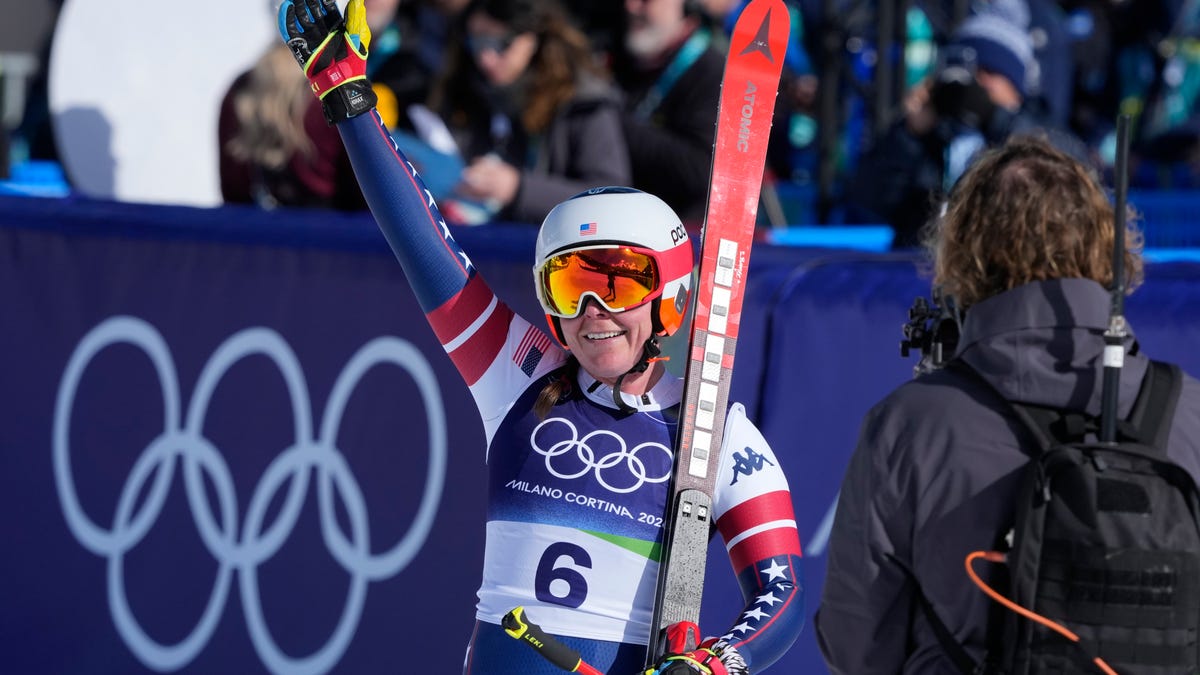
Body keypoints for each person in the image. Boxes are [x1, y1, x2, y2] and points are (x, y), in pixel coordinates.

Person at [276, 1, 805, 673]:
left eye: (614, 282)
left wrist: (718, 660)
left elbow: (781, 590)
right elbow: (424, 248)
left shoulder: (716, 433)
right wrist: (349, 101)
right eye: (566, 286)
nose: (591, 310)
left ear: (669, 296)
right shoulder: (519, 374)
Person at [814, 134, 1200, 674]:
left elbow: (858, 646)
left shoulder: (910, 425)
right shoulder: (1188, 411)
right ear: (1106, 244)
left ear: (963, 253)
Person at [842, 6, 1088, 248]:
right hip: (922, 272)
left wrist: (995, 117)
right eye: (970, 72)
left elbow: (1068, 176)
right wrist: (909, 134)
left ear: (1016, 84)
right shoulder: (933, 134)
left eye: (989, 73)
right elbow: (869, 201)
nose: (975, 83)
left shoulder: (1040, 127)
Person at [426, 0, 631, 226]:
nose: (486, 57)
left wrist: (518, 188)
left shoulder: (584, 103)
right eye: (476, 42)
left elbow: (610, 200)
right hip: (477, 242)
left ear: (534, 37)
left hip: (555, 253)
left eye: (502, 43)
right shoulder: (462, 88)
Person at [611, 0, 725, 226]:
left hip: (681, 236)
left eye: (646, 1)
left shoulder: (712, 71)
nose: (631, 7)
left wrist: (612, 124)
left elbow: (703, 170)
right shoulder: (619, 59)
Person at [218, 43, 366, 209]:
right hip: (332, 224)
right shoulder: (333, 92)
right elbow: (363, 192)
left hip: (260, 223)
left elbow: (233, 193)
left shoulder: (243, 89)